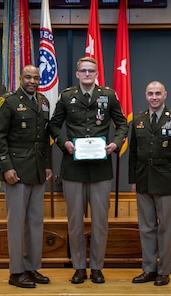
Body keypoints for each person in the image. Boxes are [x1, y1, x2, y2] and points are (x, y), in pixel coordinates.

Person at [48, 57, 128, 284]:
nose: (87, 74)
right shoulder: (66, 96)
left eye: (91, 70)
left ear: (96, 74)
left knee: (100, 221)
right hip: (73, 167)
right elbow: (54, 125)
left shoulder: (108, 96)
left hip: (101, 168)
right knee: (74, 221)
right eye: (83, 70)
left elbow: (122, 125)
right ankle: (79, 267)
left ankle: (97, 267)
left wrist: (116, 143)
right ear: (77, 74)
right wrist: (64, 142)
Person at [0, 65, 53, 288]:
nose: (32, 81)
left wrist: (47, 165)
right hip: (16, 171)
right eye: (28, 77)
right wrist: (6, 167)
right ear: (20, 78)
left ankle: (31, 267)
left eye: (36, 77)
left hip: (38, 170)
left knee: (35, 223)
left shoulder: (43, 102)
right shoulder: (8, 101)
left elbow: (44, 137)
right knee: (17, 223)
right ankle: (16, 272)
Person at [129, 81, 171, 286]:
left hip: (167, 179)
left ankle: (164, 271)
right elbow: (132, 154)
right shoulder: (138, 119)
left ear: (165, 95)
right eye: (150, 93)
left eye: (158, 93)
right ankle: (149, 269)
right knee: (146, 228)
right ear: (145, 96)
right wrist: (133, 180)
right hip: (143, 178)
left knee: (164, 228)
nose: (154, 97)